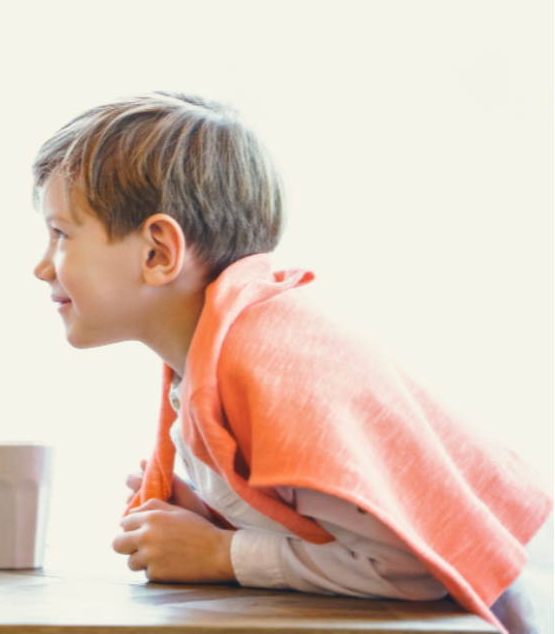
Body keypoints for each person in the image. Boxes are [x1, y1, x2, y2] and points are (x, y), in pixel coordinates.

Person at [31, 92, 554, 633]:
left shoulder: (264, 366)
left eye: (61, 234)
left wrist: (220, 554)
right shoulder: (219, 348)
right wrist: (217, 515)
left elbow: (408, 569)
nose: (41, 266)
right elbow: (320, 519)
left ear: (158, 252)